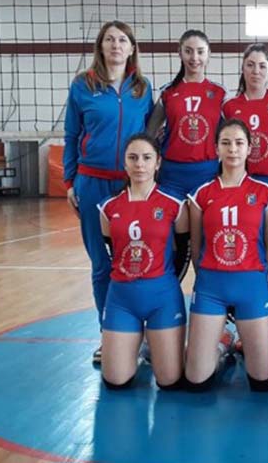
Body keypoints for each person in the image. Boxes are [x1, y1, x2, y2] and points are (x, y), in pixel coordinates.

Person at [63, 20, 154, 363]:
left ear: (132, 48)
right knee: (101, 265)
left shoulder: (142, 89)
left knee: (134, 261)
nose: (116, 45)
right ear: (100, 46)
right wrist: (69, 182)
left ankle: (141, 334)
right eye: (110, 40)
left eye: (122, 40)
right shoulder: (82, 86)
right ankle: (109, 335)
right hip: (92, 184)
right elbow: (71, 136)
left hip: (130, 186)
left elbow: (149, 138)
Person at [185, 119, 268, 392]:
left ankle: (240, 339)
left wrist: (255, 277)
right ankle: (223, 343)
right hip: (211, 287)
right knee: (196, 380)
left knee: (262, 382)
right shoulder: (201, 194)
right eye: (225, 143)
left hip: (251, 286)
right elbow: (196, 247)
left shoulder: (265, 193)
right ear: (216, 149)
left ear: (249, 148)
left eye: (239, 143)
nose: (232, 149)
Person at [97, 133, 189, 390]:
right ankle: (136, 347)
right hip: (122, 299)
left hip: (162, 297)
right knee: (115, 380)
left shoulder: (174, 205)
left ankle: (219, 346)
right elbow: (113, 252)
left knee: (169, 381)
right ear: (124, 163)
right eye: (133, 158)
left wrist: (165, 282)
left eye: (147, 158)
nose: (140, 164)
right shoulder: (108, 207)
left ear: (157, 162)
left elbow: (184, 252)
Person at [222, 43, 268, 352]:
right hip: (240, 189)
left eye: (262, 65)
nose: (256, 71)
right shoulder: (230, 106)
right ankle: (238, 328)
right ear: (243, 68)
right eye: (250, 65)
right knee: (241, 254)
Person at [146, 29, 226, 198]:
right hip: (172, 173)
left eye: (200, 51)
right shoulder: (168, 92)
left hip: (208, 172)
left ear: (208, 54)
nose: (194, 57)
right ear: (180, 53)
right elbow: (149, 133)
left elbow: (230, 133)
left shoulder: (220, 93)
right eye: (188, 51)